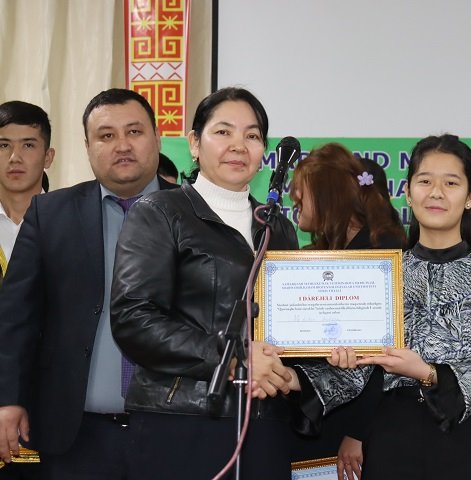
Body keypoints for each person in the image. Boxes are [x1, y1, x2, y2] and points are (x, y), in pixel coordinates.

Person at [282, 134, 471, 480]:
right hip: (393, 437)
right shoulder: (381, 273)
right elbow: (357, 373)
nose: (436, 192)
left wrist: (430, 373)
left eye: (451, 183)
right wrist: (292, 379)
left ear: (470, 196)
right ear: (408, 192)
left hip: (466, 437)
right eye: (425, 181)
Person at [110, 87, 299, 480]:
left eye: (251, 135)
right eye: (223, 132)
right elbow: (134, 318)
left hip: (264, 420)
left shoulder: (278, 227)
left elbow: (291, 325)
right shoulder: (160, 212)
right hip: (182, 419)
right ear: (194, 144)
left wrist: (314, 360)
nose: (238, 146)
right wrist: (234, 358)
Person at [0, 88, 176, 479]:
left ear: (157, 137)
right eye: (106, 135)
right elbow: (15, 318)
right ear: (87, 147)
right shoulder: (50, 213)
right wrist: (8, 399)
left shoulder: (195, 212)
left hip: (176, 432)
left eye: (134, 132)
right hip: (77, 437)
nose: (122, 145)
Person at [288, 144, 406, 477]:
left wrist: (358, 432)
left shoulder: (380, 251)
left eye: (301, 192)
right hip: (323, 411)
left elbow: (386, 357)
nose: (294, 200)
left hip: (353, 425)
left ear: (327, 195)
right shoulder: (329, 251)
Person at [0, 101, 55, 479]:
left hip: (48, 403)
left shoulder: (74, 224)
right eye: (3, 145)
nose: (14, 157)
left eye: (28, 145)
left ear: (48, 156)